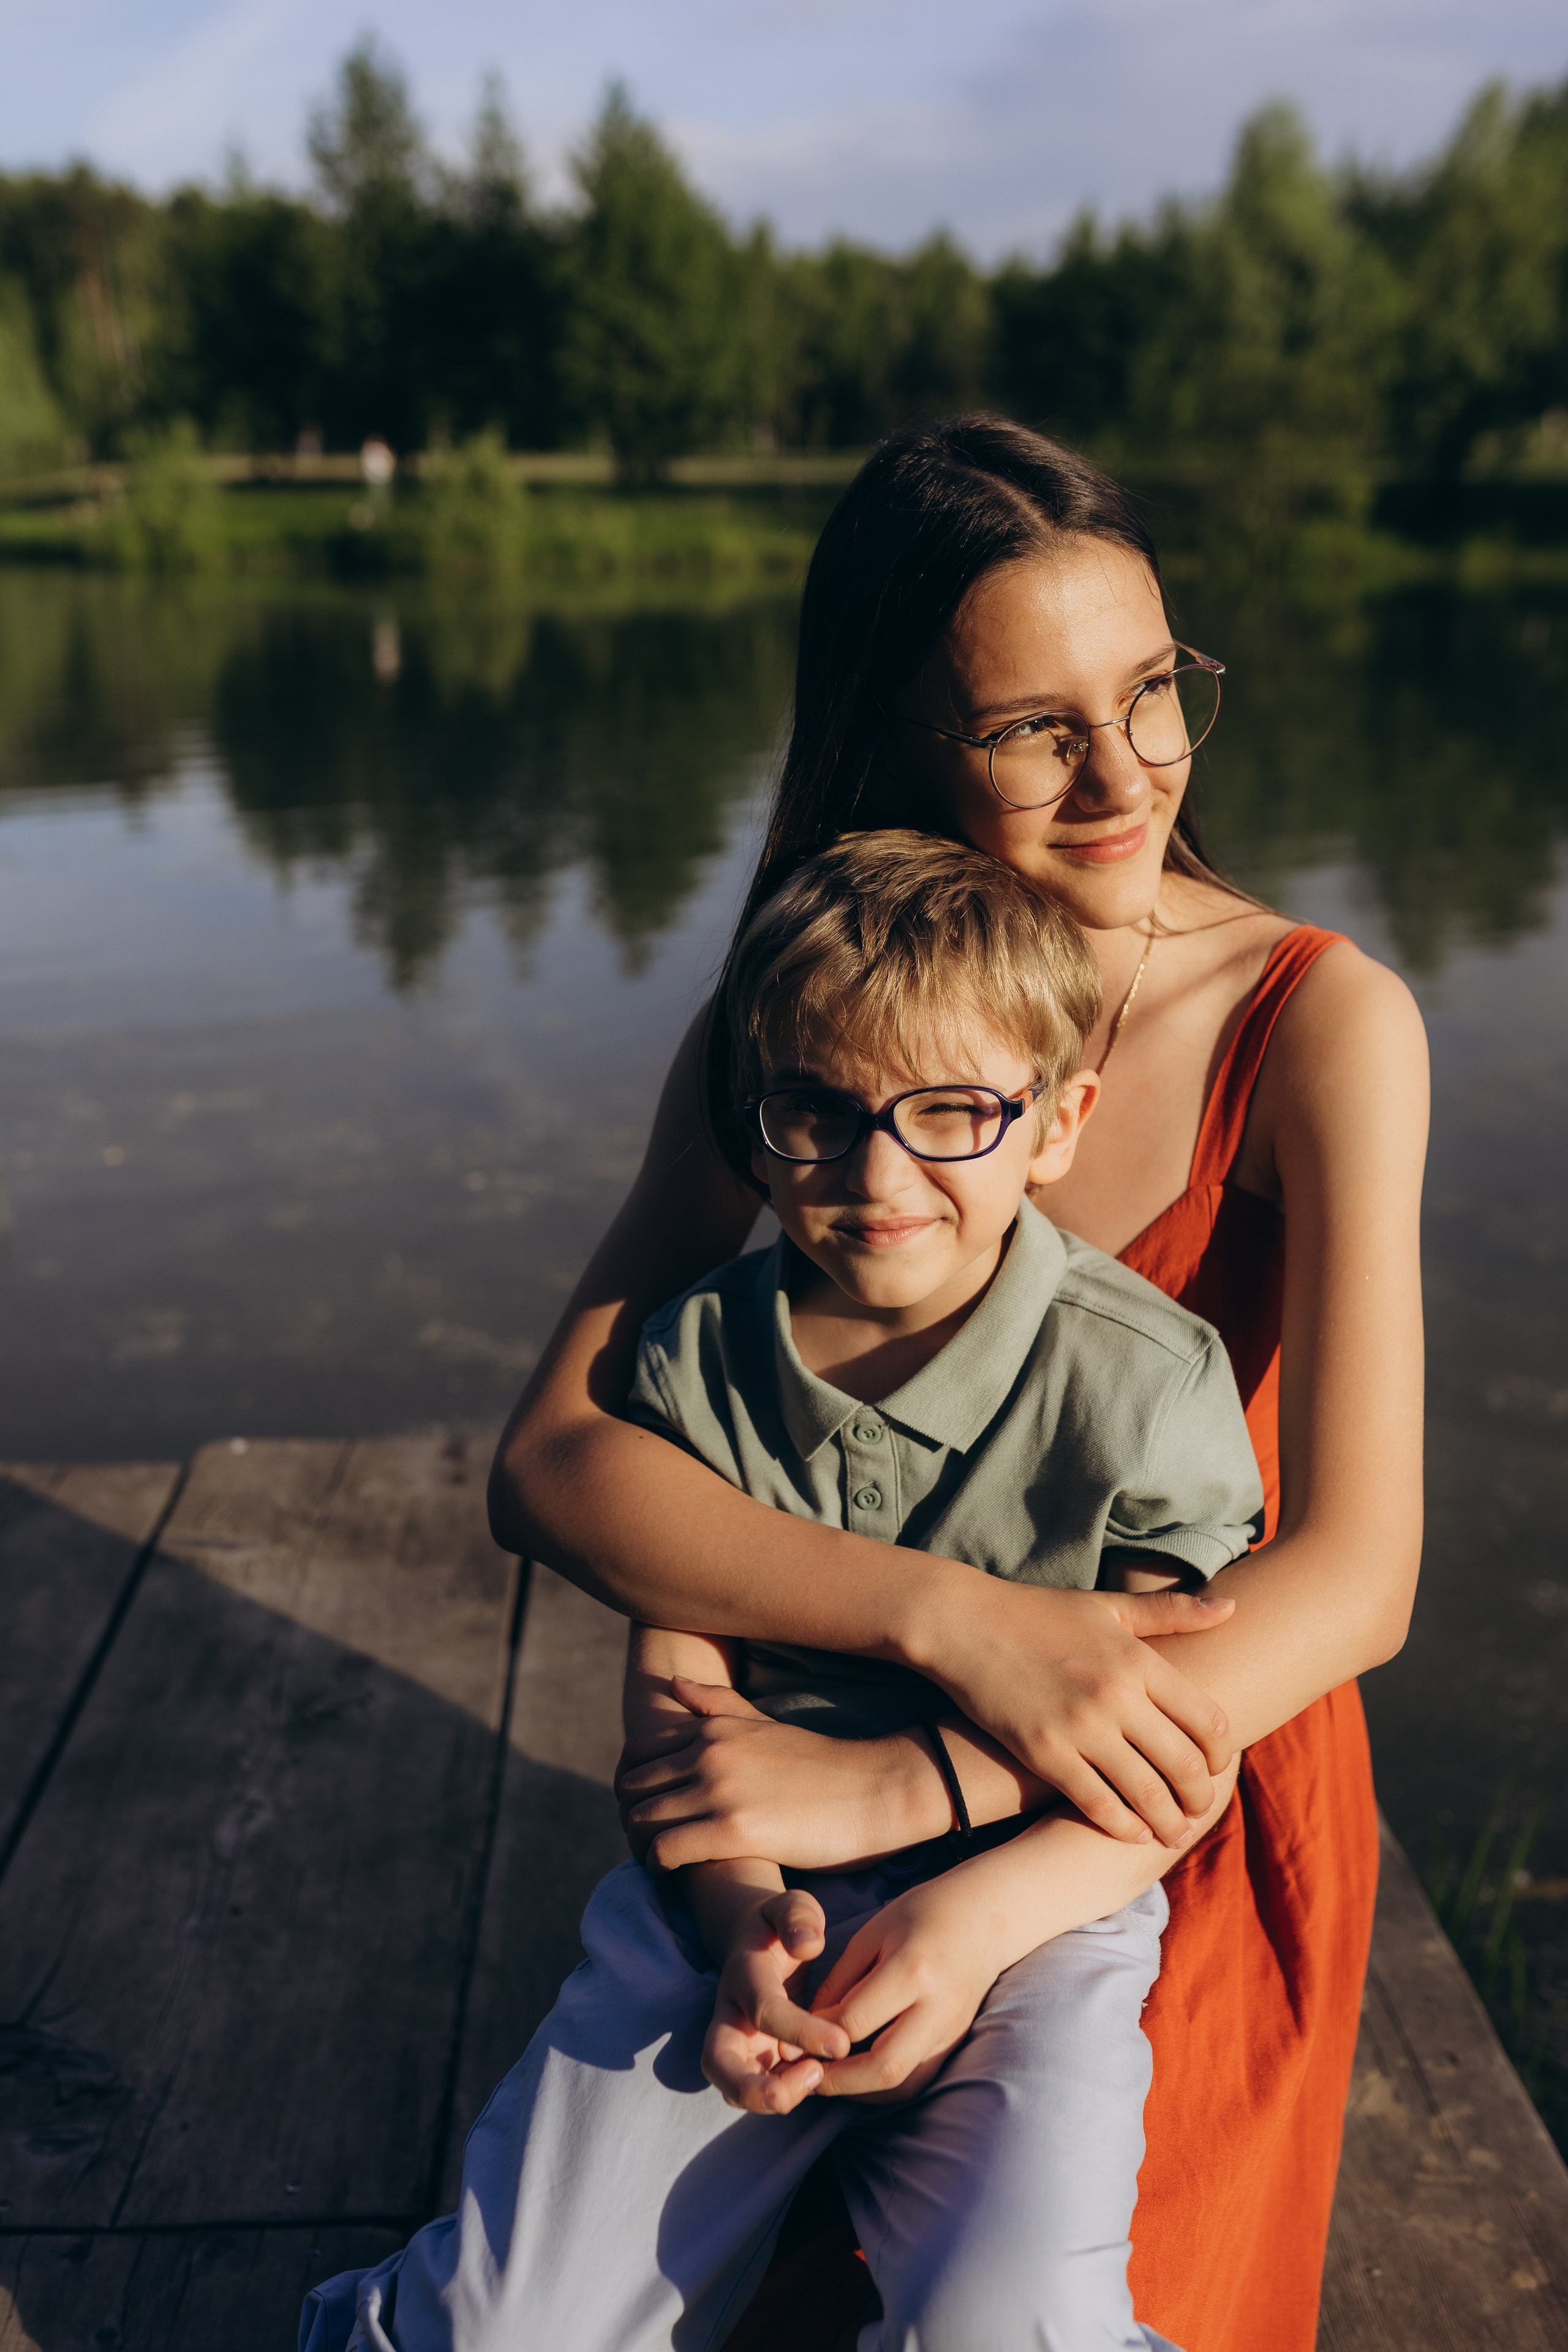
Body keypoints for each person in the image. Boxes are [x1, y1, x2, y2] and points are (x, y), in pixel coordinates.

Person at [485, 417, 1428, 2352]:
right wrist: (954, 1625)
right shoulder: (807, 1019)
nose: (1126, 774)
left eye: (1155, 692)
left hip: (1158, 1781)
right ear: (905, 740)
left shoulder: (1318, 1022)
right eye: (1032, 727)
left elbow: (1358, 1577)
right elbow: (562, 1459)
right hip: (842, 1765)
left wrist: (963, 1824)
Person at [303, 832, 1265, 2351]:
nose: (878, 1176)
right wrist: (746, 1919)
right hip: (742, 1897)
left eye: (953, 1113)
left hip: (1038, 1903)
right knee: (504, 2329)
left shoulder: (1145, 1384)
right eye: (815, 1112)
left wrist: (964, 1927)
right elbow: (678, 1720)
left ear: (1059, 1119)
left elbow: (1171, 1761)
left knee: (1017, 2320)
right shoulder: (693, 1360)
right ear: (751, 1133)